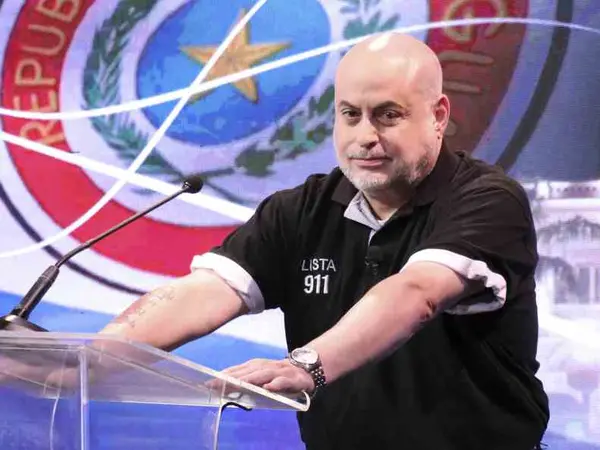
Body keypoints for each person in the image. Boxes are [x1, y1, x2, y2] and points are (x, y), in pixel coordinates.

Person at [100, 32, 550, 449]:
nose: (365, 137)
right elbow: (204, 293)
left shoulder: (488, 200)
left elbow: (417, 294)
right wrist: (93, 357)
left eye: (388, 115)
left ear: (438, 117)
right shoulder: (300, 211)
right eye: (350, 115)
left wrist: (308, 367)